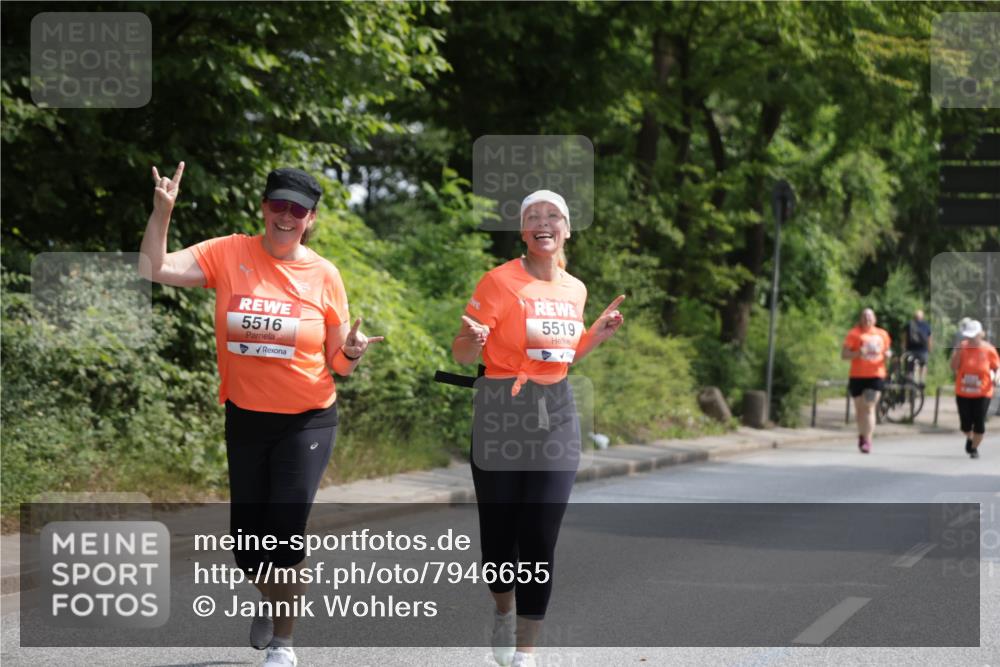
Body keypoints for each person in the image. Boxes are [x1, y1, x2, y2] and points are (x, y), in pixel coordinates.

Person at [139, 163, 382, 667]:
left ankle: (284, 644)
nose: (286, 216)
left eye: (298, 210)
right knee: (249, 549)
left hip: (308, 419)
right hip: (247, 418)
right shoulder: (228, 252)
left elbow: (339, 365)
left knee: (287, 530)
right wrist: (162, 212)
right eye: (279, 206)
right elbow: (154, 269)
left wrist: (354, 351)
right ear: (264, 208)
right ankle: (272, 602)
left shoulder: (324, 275)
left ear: (310, 219)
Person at [452, 190, 624, 667]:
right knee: (498, 543)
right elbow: (462, 354)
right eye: (533, 217)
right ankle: (503, 612)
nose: (543, 223)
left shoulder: (576, 289)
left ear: (567, 229)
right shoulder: (498, 281)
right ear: (523, 231)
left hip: (556, 412)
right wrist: (472, 338)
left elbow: (560, 358)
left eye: (553, 216)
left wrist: (594, 337)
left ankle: (525, 653)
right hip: (501, 410)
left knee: (540, 537)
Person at [842, 308, 892, 454]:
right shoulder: (854, 334)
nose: (867, 320)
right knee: (859, 409)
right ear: (860, 319)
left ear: (874, 319)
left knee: (869, 407)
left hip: (875, 375)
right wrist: (858, 353)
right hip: (857, 376)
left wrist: (888, 354)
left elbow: (888, 351)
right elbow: (844, 354)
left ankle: (868, 440)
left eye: (870, 317)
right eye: (864, 317)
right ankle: (862, 435)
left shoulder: (882, 334)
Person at [950, 319, 999, 459]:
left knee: (979, 423)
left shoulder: (989, 349)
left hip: (983, 392)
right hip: (963, 391)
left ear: (981, 334)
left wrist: (997, 377)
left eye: (974, 336)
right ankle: (970, 437)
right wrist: (957, 353)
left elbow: (997, 367)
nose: (970, 339)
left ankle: (974, 448)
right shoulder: (962, 347)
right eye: (968, 336)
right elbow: (953, 367)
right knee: (965, 425)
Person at [903, 309, 932, 386]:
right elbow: (929, 339)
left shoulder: (909, 324)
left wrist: (904, 349)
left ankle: (909, 377)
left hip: (910, 350)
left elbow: (905, 338)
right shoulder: (927, 325)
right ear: (922, 317)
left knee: (909, 365)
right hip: (923, 350)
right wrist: (929, 349)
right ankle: (922, 380)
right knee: (924, 364)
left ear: (914, 317)